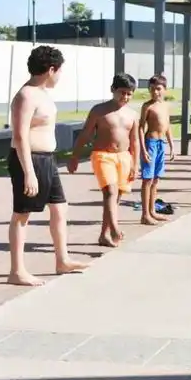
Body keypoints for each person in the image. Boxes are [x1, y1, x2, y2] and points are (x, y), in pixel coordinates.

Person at [6, 46, 88, 286]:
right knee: (22, 214)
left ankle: (62, 260)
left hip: (48, 160)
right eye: (59, 71)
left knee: (60, 209)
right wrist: (29, 172)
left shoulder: (42, 93)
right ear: (51, 69)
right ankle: (17, 271)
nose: (60, 76)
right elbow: (20, 136)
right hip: (29, 160)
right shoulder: (26, 95)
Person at [69, 73, 139, 248]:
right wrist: (75, 156)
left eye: (129, 93)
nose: (125, 97)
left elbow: (135, 140)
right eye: (122, 92)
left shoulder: (132, 114)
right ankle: (115, 229)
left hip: (124, 157)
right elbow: (85, 133)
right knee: (110, 192)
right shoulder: (99, 111)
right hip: (102, 155)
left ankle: (103, 235)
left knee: (116, 198)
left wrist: (135, 164)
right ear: (112, 90)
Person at [138, 75, 175, 226]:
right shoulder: (147, 106)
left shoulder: (165, 106)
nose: (155, 92)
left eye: (158, 89)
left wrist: (172, 146)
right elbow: (141, 128)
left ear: (165, 90)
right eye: (152, 89)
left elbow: (167, 127)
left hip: (161, 143)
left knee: (156, 179)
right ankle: (145, 214)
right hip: (150, 142)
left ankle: (152, 210)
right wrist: (143, 149)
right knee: (147, 179)